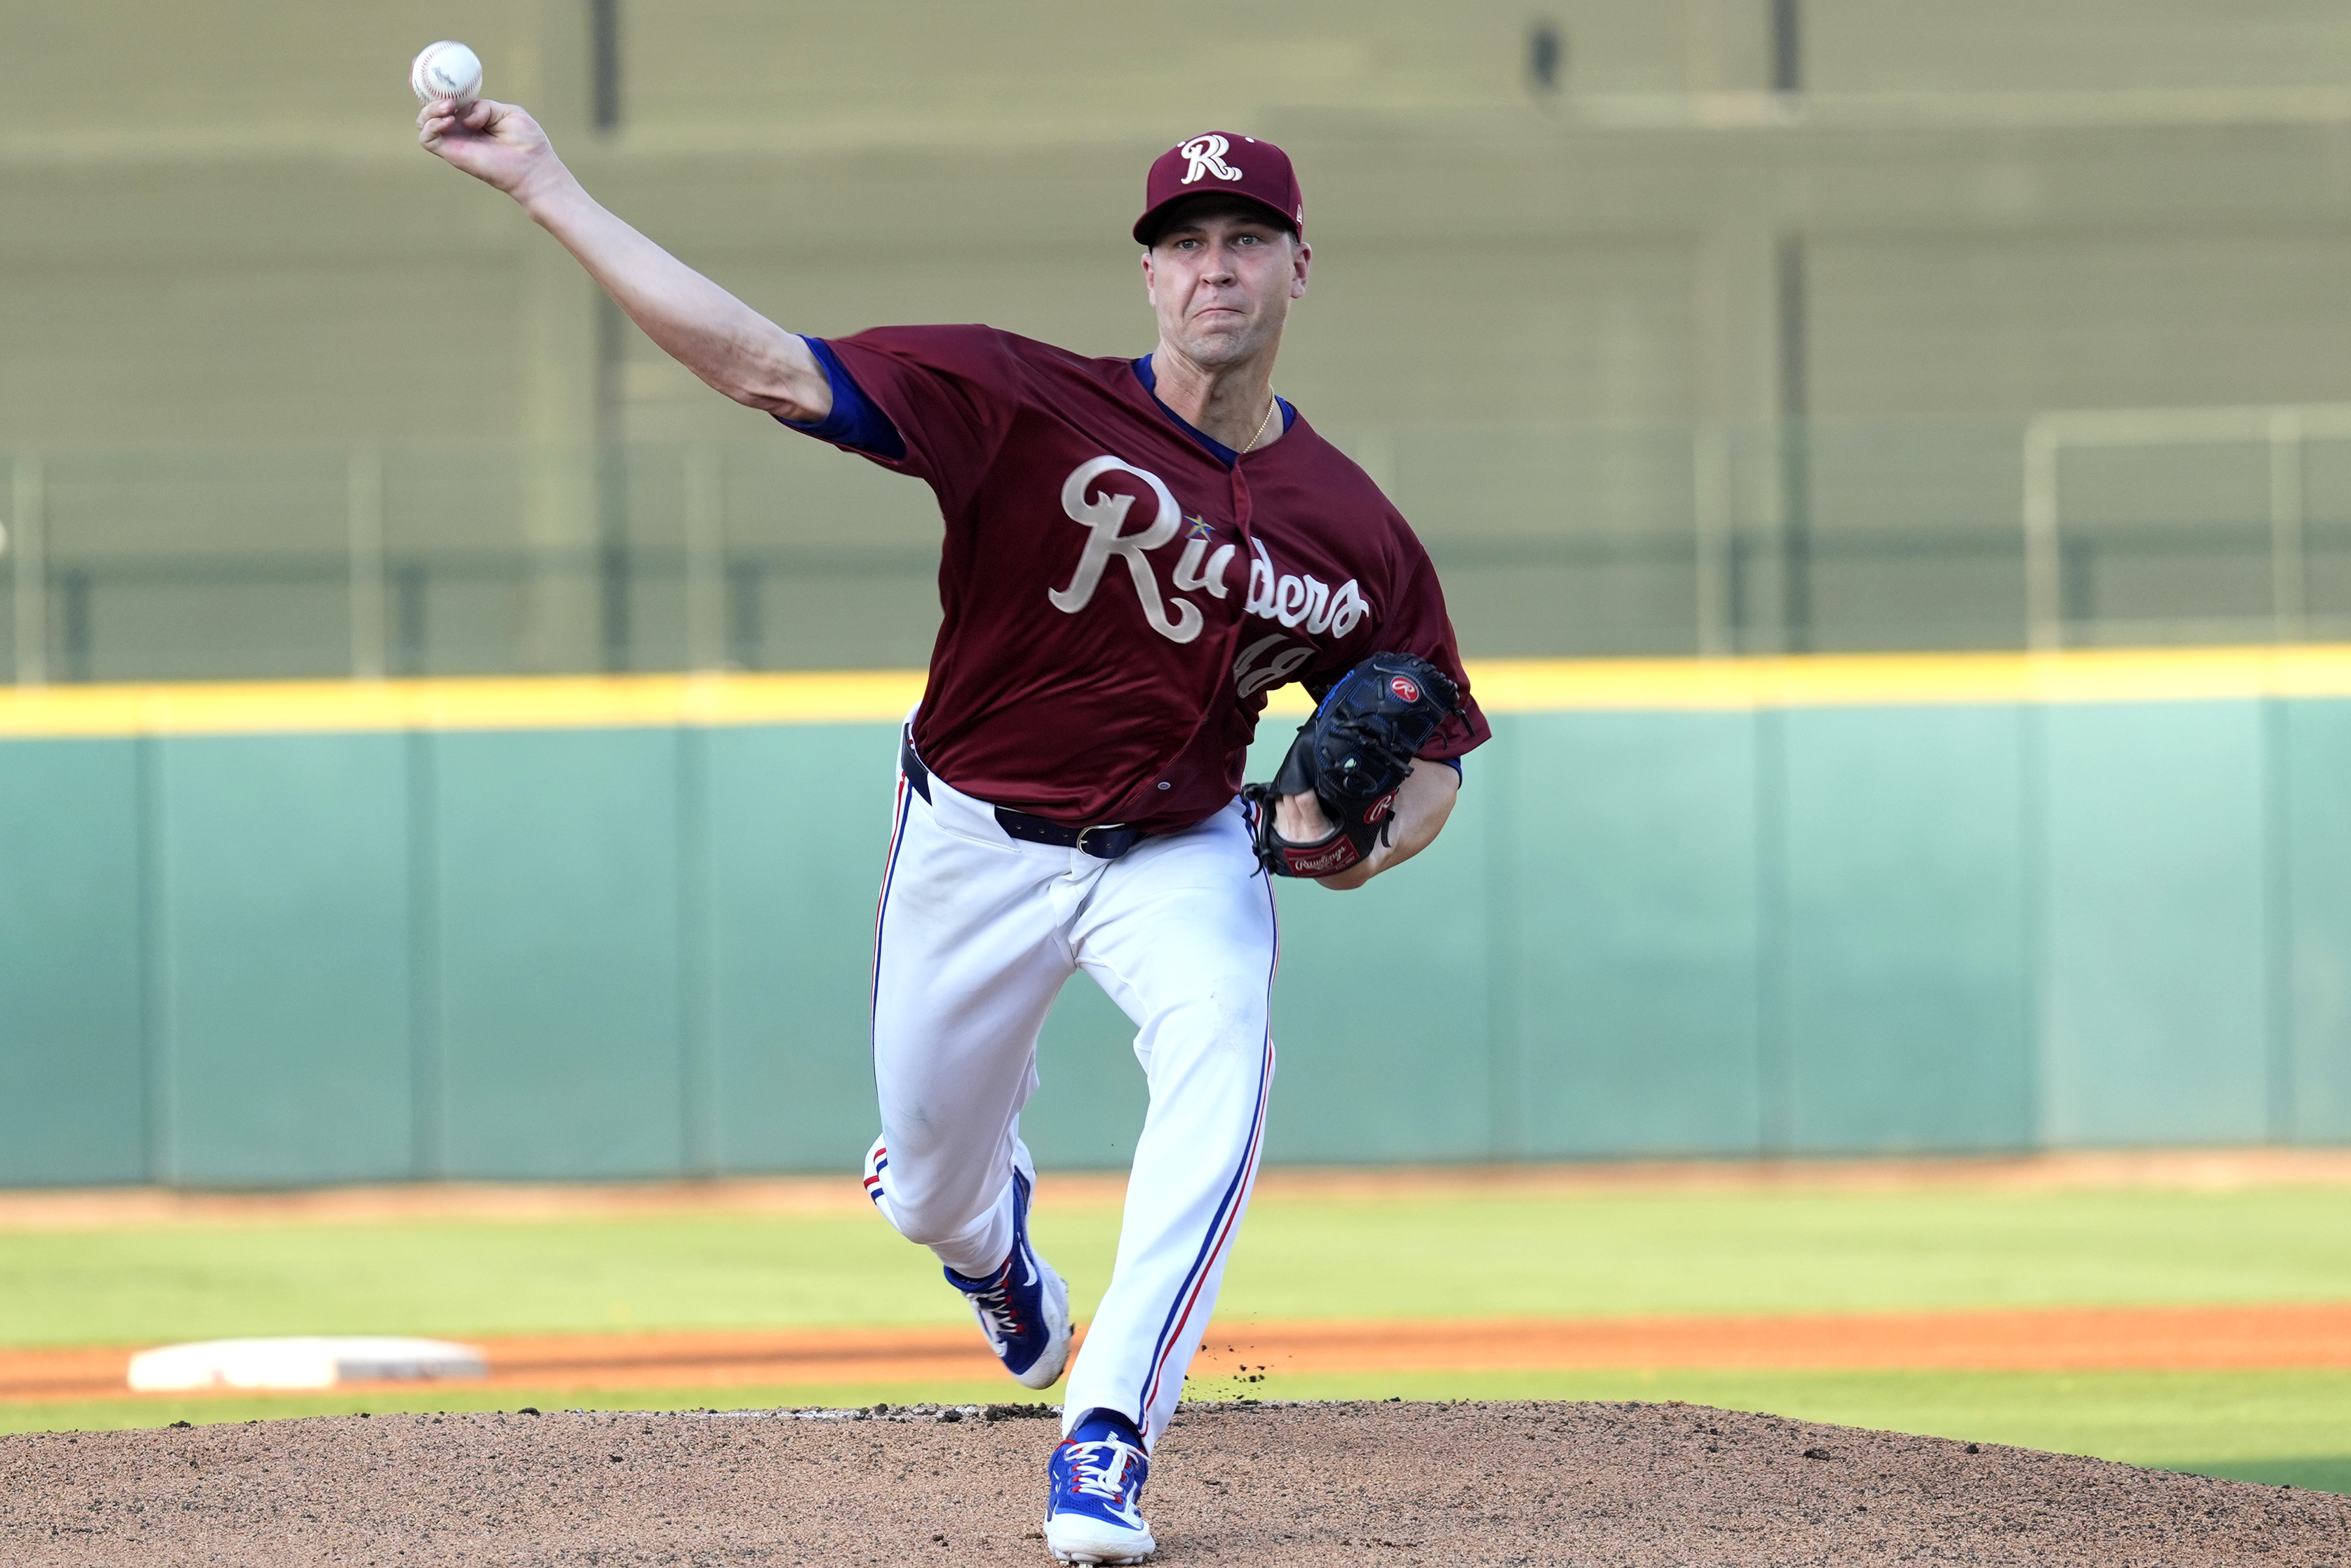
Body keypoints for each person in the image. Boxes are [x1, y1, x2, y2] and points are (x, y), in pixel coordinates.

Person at [417, 100, 1489, 1564]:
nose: (1216, 268)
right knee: (926, 1183)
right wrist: (546, 185)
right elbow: (760, 364)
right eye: (1186, 243)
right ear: (1150, 277)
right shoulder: (1020, 399)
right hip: (976, 843)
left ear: (1303, 267)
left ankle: (1107, 1433)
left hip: (1183, 849)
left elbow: (1434, 752)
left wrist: (1353, 845)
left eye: (1248, 240)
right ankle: (993, 1254)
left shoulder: (1350, 524)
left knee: (1227, 1059)